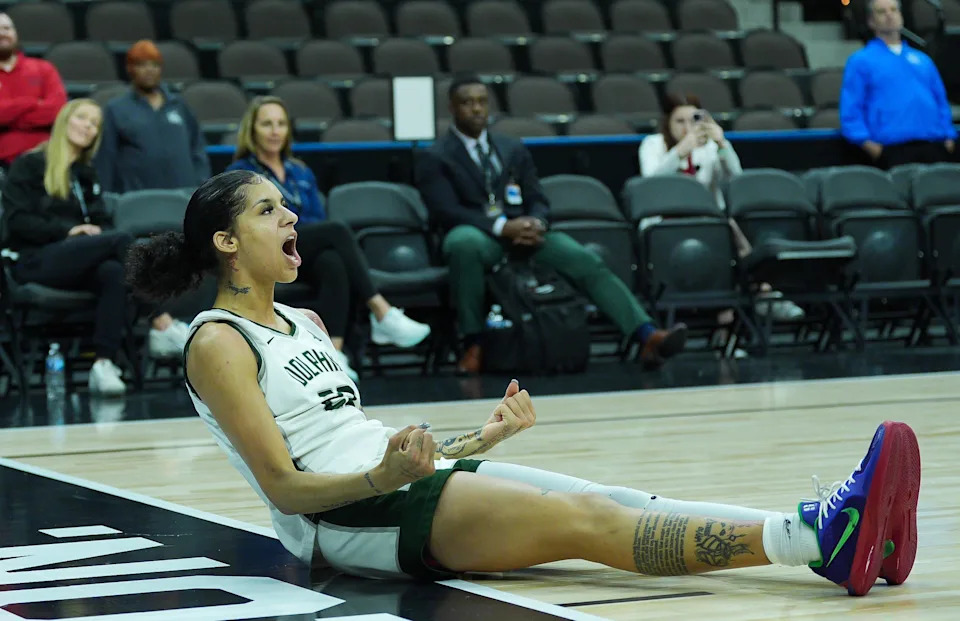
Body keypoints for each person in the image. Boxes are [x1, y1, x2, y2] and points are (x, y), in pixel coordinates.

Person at [125, 169, 920, 595]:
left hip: (392, 485)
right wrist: (385, 477)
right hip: (346, 520)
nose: (291, 216)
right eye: (269, 211)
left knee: (613, 497)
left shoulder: (304, 319)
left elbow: (374, 444)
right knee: (587, 521)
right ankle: (820, 537)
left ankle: (828, 538)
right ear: (227, 241)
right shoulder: (217, 341)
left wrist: (480, 437)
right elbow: (285, 488)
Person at [417, 75, 687, 375]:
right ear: (452, 108)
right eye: (467, 103)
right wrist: (502, 227)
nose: (477, 109)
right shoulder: (435, 155)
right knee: (462, 243)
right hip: (482, 236)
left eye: (481, 102)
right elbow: (446, 210)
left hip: (524, 235)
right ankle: (473, 344)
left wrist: (536, 222)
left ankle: (646, 335)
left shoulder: (510, 147)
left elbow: (537, 197)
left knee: (581, 257)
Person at [226, 96, 431, 380]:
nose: (275, 131)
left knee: (333, 261)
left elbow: (316, 217)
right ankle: (381, 311)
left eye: (281, 124)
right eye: (266, 124)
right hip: (266, 248)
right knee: (336, 231)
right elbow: (246, 223)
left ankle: (333, 353)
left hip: (302, 248)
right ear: (252, 130)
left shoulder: (300, 170)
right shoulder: (240, 174)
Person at [2, 99, 189, 395]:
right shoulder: (29, 164)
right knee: (121, 240)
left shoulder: (86, 174)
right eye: (82, 118)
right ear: (65, 120)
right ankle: (160, 319)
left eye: (94, 124)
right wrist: (68, 230)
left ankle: (103, 364)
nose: (88, 127)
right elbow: (17, 221)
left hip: (78, 261)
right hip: (34, 260)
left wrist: (94, 233)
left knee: (113, 271)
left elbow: (102, 220)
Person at [640, 94, 805, 326]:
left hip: (708, 221)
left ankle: (763, 294)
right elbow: (651, 184)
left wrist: (722, 145)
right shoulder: (652, 144)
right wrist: (679, 152)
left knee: (731, 231)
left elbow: (736, 179)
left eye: (692, 120)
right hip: (665, 223)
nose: (687, 127)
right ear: (667, 122)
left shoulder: (708, 147)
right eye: (679, 121)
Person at [840, 0, 957, 168]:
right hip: (891, 150)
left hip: (934, 146)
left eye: (893, 10)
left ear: (901, 16)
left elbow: (941, 101)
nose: (889, 15)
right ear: (871, 21)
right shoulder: (860, 61)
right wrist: (871, 147)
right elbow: (850, 109)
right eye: (881, 12)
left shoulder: (923, 60)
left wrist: (948, 136)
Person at [94, 40, 210, 193]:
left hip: (184, 196)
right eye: (142, 65)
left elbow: (197, 149)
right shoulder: (116, 109)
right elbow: (106, 159)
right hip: (138, 198)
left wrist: (202, 185)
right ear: (130, 68)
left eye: (155, 65)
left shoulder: (179, 105)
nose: (149, 70)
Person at [0, 12, 67, 167]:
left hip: (45, 158)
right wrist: (31, 103)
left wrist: (9, 120)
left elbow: (56, 111)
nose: (2, 33)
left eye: (6, 28)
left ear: (15, 33)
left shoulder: (43, 69)